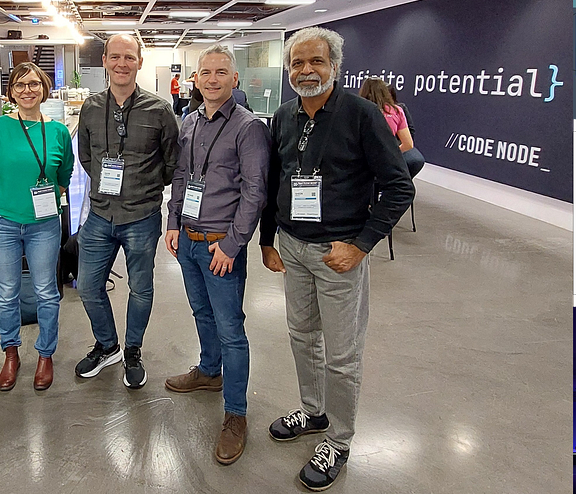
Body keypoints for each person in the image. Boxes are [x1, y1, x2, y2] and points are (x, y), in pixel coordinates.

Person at [259, 27, 414, 490]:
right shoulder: (283, 117)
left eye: (316, 62)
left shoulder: (363, 115)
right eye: (298, 64)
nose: (306, 71)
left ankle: (340, 441)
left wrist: (362, 244)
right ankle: (313, 413)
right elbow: (274, 181)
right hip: (291, 245)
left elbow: (399, 184)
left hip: (338, 253)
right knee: (301, 334)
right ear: (289, 71)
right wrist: (268, 239)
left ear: (335, 66)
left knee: (342, 354)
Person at [163, 45, 270, 465]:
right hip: (187, 239)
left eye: (220, 72)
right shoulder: (189, 121)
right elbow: (181, 176)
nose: (211, 79)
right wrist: (172, 222)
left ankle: (236, 414)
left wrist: (231, 244)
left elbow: (254, 191)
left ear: (234, 79)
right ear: (195, 79)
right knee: (201, 314)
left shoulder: (248, 128)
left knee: (231, 328)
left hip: (218, 245)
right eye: (204, 72)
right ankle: (209, 371)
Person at [75, 34, 180, 388]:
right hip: (100, 216)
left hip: (142, 217)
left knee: (141, 289)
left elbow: (171, 163)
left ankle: (133, 349)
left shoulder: (160, 110)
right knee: (88, 287)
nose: (122, 63)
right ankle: (108, 346)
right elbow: (86, 158)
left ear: (140, 61)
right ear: (104, 60)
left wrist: (144, 186)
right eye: (115, 57)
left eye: (129, 57)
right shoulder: (90, 107)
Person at [0, 61, 74, 392]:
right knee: (6, 292)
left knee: (46, 291)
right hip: (0, 222)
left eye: (34, 84)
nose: (27, 91)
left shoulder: (59, 131)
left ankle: (45, 354)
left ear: (44, 89)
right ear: (11, 92)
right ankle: (11, 353)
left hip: (44, 225)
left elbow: (64, 175)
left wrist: (46, 195)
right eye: (20, 85)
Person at [359, 78, 426, 179]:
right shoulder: (397, 110)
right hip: (386, 162)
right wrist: (390, 155)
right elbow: (408, 144)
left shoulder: (359, 109)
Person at [387, 84, 425, 178]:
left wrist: (400, 147)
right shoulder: (371, 110)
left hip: (399, 145)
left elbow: (410, 131)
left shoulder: (400, 109)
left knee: (415, 160)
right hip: (381, 147)